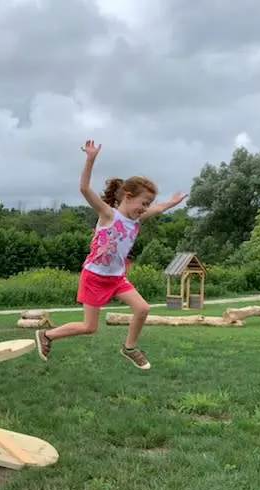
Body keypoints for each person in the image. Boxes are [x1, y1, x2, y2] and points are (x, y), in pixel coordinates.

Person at [35, 140, 188, 370]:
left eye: (148, 204)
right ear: (127, 196)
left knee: (143, 309)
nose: (145, 208)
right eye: (143, 202)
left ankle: (129, 348)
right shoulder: (109, 215)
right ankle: (47, 335)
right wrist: (90, 159)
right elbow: (85, 189)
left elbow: (157, 209)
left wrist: (171, 203)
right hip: (95, 277)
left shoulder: (137, 219)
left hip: (116, 278)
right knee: (89, 327)